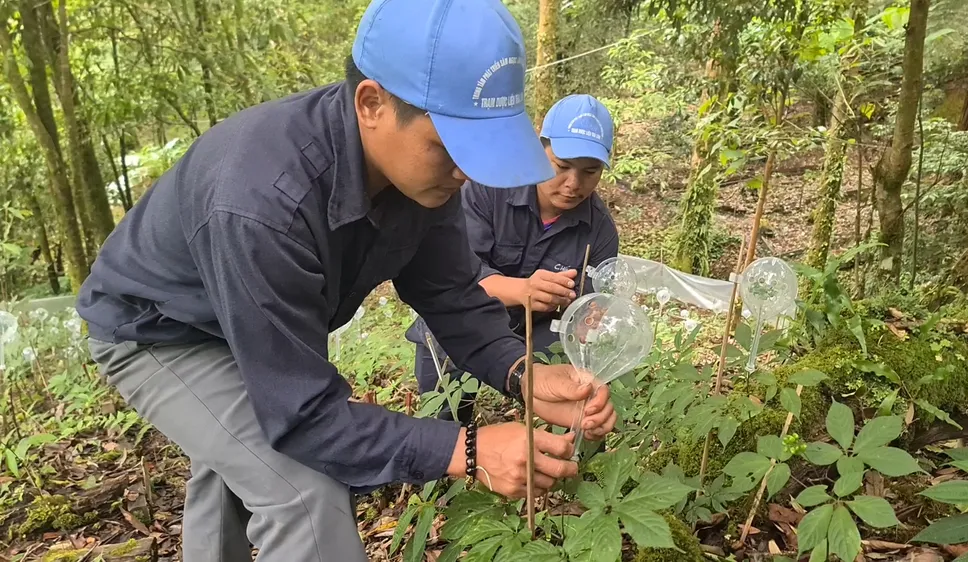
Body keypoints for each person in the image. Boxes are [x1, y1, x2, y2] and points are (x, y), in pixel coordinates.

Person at [73, 1, 617, 560]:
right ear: (372, 103)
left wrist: (523, 373)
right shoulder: (263, 201)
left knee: (240, 459)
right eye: (451, 147)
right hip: (164, 331)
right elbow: (305, 416)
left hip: (251, 320)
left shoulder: (421, 177)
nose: (467, 170)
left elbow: (449, 293)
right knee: (304, 493)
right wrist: (469, 448)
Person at [405, 94, 620, 425]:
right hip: (458, 317)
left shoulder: (600, 231)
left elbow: (589, 308)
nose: (573, 185)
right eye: (562, 166)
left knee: (576, 385)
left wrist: (587, 318)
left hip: (536, 331)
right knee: (445, 414)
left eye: (590, 172)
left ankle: (558, 441)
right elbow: (451, 278)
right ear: (538, 148)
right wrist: (522, 290)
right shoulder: (489, 186)